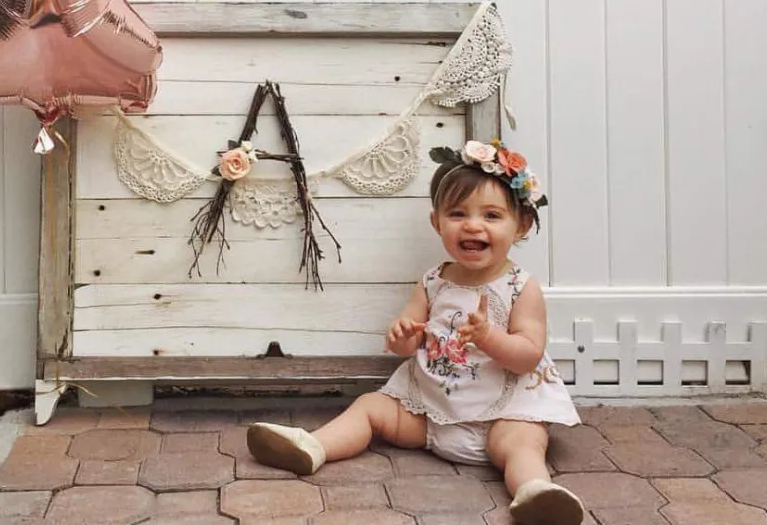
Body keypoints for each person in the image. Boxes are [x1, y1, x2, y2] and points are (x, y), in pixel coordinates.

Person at [246, 139, 585, 525]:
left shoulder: (520, 287)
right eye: (457, 213)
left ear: (520, 225)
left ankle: (535, 492)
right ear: (437, 222)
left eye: (492, 215)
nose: (472, 225)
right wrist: (403, 334)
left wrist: (489, 336)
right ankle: (312, 447)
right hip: (428, 414)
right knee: (371, 407)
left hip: (500, 419)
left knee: (525, 442)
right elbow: (408, 342)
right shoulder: (434, 281)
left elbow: (528, 356)